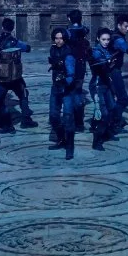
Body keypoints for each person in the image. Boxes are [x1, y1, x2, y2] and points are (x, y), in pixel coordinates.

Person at [0, 18, 39, 129]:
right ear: (13, 28)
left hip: (1, 75)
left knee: (0, 99)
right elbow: (27, 48)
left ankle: (2, 121)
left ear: (2, 27)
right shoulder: (15, 42)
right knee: (23, 95)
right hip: (15, 76)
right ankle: (26, 120)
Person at [47, 27, 77, 160]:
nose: (58, 41)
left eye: (61, 38)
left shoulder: (69, 54)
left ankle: (69, 147)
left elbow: (71, 74)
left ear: (65, 39)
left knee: (68, 117)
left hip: (67, 89)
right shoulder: (53, 49)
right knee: (53, 116)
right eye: (56, 38)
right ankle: (61, 139)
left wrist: (65, 81)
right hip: (56, 87)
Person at [89, 27, 118, 151]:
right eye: (103, 39)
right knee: (103, 114)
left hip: (106, 83)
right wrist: (107, 62)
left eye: (108, 39)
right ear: (98, 39)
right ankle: (96, 141)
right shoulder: (96, 51)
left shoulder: (107, 50)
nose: (106, 42)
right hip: (97, 86)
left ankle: (105, 132)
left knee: (112, 108)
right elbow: (98, 60)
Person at [65, 9, 91, 132]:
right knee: (78, 91)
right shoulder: (84, 30)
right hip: (81, 65)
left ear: (70, 19)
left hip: (70, 64)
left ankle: (73, 121)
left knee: (70, 93)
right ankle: (79, 123)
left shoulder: (67, 33)